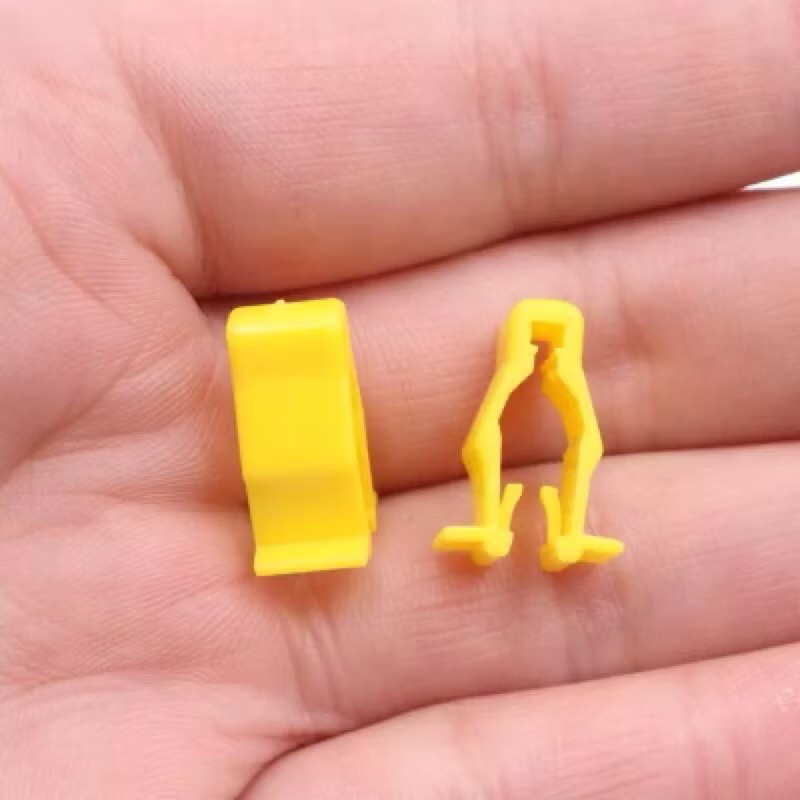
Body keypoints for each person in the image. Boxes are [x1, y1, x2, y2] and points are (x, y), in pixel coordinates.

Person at [0, 0, 798, 797]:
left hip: (360, 495)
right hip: (322, 510)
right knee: (516, 440)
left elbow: (542, 426)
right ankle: (515, 520)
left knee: (549, 440)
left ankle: (533, 522)